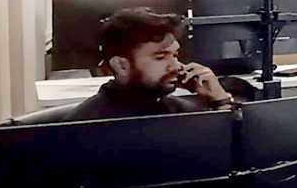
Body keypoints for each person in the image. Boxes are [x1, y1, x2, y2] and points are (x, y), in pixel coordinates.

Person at [65, 8, 232, 121]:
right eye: (160, 57)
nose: (176, 66)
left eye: (175, 55)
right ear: (121, 66)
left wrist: (220, 101)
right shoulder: (83, 127)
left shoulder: (184, 113)